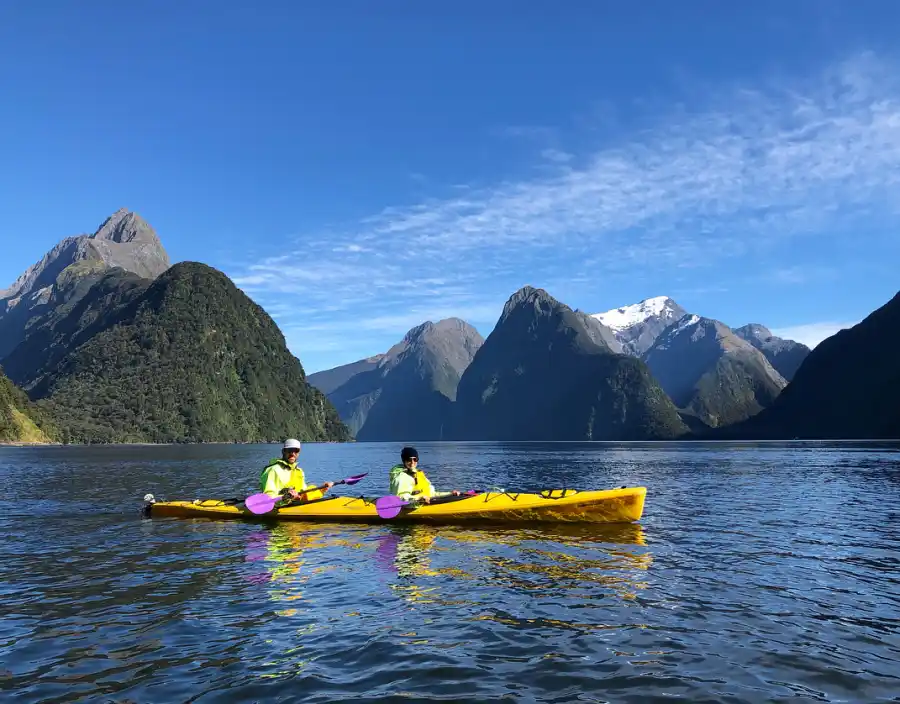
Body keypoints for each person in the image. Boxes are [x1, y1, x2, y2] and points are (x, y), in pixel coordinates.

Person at [259, 439, 334, 503]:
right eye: (289, 450)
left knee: (313, 487)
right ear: (283, 451)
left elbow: (303, 492)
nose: (292, 454)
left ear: (299, 452)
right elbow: (268, 498)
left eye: (296, 451)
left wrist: (321, 489)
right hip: (282, 506)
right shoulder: (273, 470)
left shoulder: (299, 471)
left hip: (296, 504)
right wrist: (287, 497)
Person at [388, 446, 460, 504]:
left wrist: (450, 494)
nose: (412, 462)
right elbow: (401, 498)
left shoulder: (419, 474)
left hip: (423, 504)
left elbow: (432, 494)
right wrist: (419, 498)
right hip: (411, 507)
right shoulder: (402, 477)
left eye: (415, 459)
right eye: (409, 460)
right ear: (404, 461)